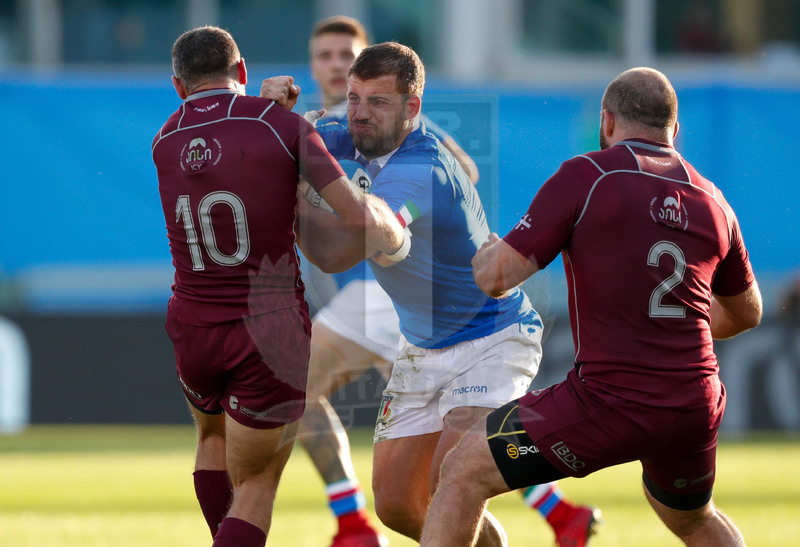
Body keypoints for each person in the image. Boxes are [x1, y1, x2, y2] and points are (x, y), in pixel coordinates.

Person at [275, 16, 601, 547]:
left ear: (412, 108)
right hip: (421, 343)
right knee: (401, 505)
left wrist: (302, 171)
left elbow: (370, 223)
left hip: (492, 337)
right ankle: (557, 513)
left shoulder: (421, 166)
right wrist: (277, 123)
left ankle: (546, 493)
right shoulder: (343, 132)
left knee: (452, 479)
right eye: (355, 97)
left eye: (377, 102)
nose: (359, 113)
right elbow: (332, 254)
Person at [419, 67, 763, 546]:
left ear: (606, 121)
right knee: (693, 518)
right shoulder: (714, 201)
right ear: (675, 130)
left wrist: (485, 255)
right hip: (693, 401)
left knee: (461, 471)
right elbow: (748, 312)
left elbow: (496, 278)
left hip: (610, 398)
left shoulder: (588, 175)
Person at [152, 26, 405, 547]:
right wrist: (395, 230)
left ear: (177, 86)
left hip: (193, 325)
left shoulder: (163, 140)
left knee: (211, 439)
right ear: (242, 72)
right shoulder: (281, 125)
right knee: (258, 483)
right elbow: (355, 215)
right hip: (267, 331)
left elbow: (232, 160)